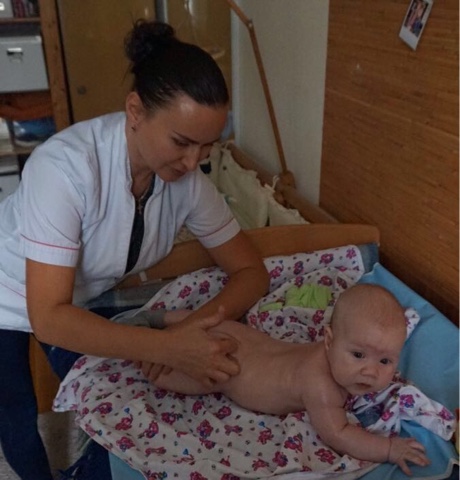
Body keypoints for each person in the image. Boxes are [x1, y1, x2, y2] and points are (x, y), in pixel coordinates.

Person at [0, 20, 269, 480]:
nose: (193, 162)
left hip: (75, 296)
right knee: (16, 413)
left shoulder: (188, 182)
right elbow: (48, 317)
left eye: (207, 146)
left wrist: (197, 326)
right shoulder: (65, 169)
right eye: (181, 142)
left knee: (112, 393)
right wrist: (167, 347)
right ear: (136, 111)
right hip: (9, 288)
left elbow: (251, 271)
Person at [152, 284, 430, 476]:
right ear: (329, 340)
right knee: (184, 374)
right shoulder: (321, 387)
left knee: (218, 327)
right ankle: (148, 354)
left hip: (246, 341)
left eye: (385, 361)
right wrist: (389, 448)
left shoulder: (331, 352)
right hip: (232, 371)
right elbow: (339, 434)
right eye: (358, 355)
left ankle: (159, 319)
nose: (370, 372)